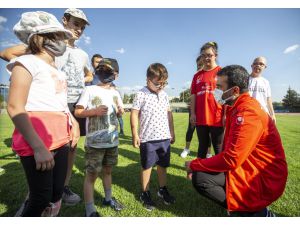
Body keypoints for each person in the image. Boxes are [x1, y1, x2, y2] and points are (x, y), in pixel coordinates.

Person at [0, 8, 93, 206]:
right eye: (76, 24)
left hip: (68, 102)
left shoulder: (83, 54)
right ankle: (35, 197)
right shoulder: (43, 49)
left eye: (83, 27)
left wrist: (80, 79)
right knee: (41, 185)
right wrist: (32, 61)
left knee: (70, 148)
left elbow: (89, 74)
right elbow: (7, 53)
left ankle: (62, 187)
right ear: (64, 21)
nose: (79, 29)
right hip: (45, 103)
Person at [185, 65, 288, 216]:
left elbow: (231, 159)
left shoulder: (248, 112)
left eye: (219, 87)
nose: (215, 91)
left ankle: (255, 213)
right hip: (248, 166)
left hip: (261, 176)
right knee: (201, 176)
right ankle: (241, 208)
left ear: (235, 91)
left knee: (200, 174)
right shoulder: (237, 106)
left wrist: (194, 164)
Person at [75, 58, 125, 217]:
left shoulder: (116, 92)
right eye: (101, 68)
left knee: (108, 172)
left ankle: (108, 199)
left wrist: (120, 111)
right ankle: (89, 209)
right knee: (91, 176)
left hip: (112, 142)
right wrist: (94, 111)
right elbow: (78, 112)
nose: (103, 72)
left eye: (108, 70)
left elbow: (119, 110)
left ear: (116, 75)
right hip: (95, 144)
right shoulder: (89, 90)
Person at [130, 63, 175, 211]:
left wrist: (172, 132)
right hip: (148, 138)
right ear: (148, 79)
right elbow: (134, 113)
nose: (161, 86)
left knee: (163, 165)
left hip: (164, 137)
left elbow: (169, 114)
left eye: (164, 83)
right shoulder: (141, 93)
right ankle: (145, 192)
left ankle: (162, 189)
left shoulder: (164, 94)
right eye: (158, 83)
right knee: (147, 166)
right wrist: (135, 134)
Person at [190, 41, 224, 159]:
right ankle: (199, 175)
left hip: (217, 117)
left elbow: (226, 96)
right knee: (202, 146)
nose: (206, 58)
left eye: (209, 55)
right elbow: (193, 95)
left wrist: (225, 114)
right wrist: (193, 113)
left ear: (216, 56)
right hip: (201, 117)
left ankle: (223, 176)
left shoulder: (222, 72)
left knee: (219, 148)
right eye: (204, 55)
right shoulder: (197, 76)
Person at [181, 55, 212, 158]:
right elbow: (192, 92)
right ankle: (186, 149)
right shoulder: (196, 75)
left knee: (208, 130)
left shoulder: (211, 73)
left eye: (201, 64)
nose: (199, 66)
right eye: (198, 64)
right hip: (195, 108)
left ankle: (208, 152)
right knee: (191, 127)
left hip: (207, 108)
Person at [249, 56, 276, 124]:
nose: (258, 65)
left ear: (265, 67)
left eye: (261, 64)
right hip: (248, 114)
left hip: (263, 115)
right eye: (255, 63)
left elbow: (268, 99)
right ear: (252, 66)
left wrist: (272, 114)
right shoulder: (244, 79)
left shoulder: (266, 82)